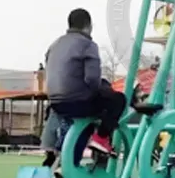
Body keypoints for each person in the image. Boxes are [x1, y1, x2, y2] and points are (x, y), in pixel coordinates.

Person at [45, 8, 127, 155]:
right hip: (77, 101)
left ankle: (66, 158)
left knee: (87, 121)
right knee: (118, 100)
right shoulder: (88, 45)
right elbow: (92, 79)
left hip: (55, 103)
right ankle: (101, 138)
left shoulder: (54, 45)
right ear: (89, 26)